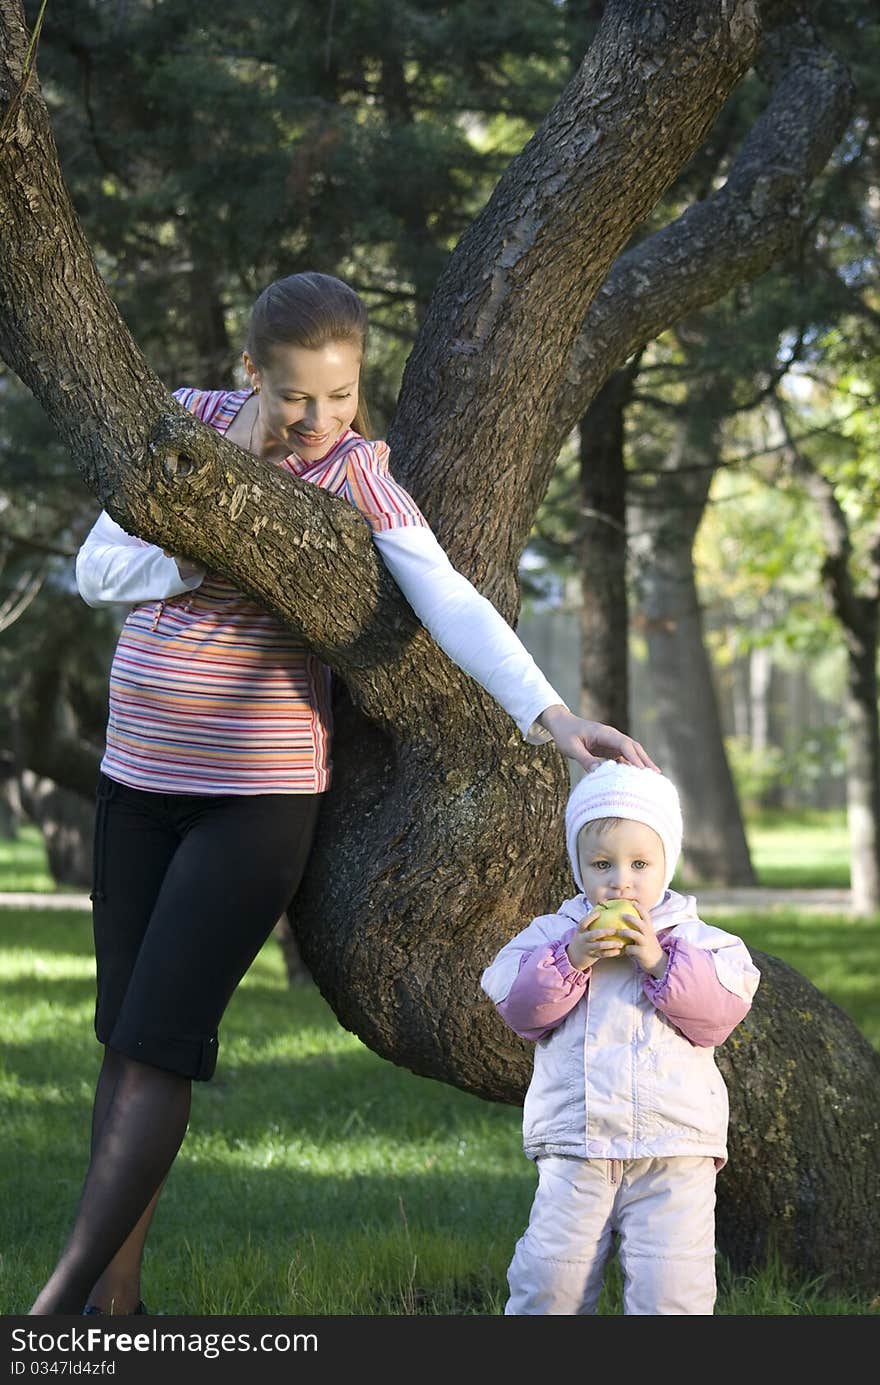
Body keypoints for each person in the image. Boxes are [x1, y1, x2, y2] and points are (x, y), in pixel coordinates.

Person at [29, 271, 657, 1316]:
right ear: (248, 375)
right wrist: (197, 557)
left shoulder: (358, 474)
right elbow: (98, 570)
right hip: (133, 781)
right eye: (295, 398)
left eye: (341, 394)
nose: (319, 421)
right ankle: (115, 1308)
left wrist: (551, 715)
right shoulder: (182, 432)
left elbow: (448, 596)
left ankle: (49, 1310)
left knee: (156, 1044)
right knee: (121, 1037)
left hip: (253, 800)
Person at [480, 760, 760, 1315]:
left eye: (640, 863)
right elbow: (518, 1005)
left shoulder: (701, 942)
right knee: (549, 1280)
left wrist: (659, 962)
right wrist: (571, 958)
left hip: (673, 1148)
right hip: (576, 1145)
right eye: (603, 864)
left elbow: (718, 1013)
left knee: (672, 1289)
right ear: (578, 866)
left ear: (667, 863)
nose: (621, 881)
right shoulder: (554, 934)